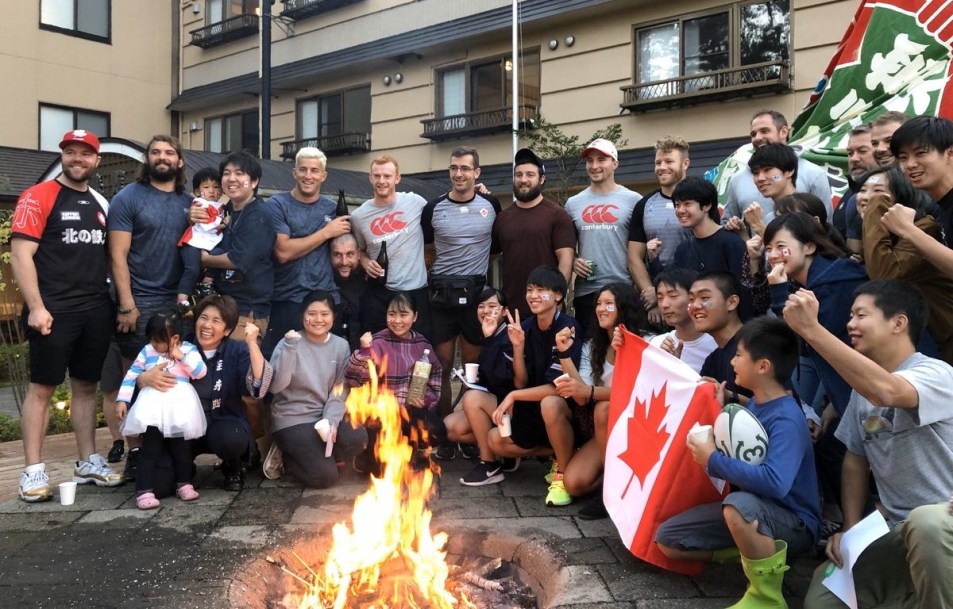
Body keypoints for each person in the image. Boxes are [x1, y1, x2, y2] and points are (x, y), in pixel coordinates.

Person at [783, 281, 953, 609]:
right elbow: (855, 460)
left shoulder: (935, 372)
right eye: (850, 315)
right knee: (822, 597)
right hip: (894, 528)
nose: (850, 324)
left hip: (942, 521)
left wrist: (812, 330)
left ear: (898, 323)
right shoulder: (863, 392)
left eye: (861, 315)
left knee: (926, 524)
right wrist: (850, 528)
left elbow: (888, 392)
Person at [656, 316, 820, 608]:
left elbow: (775, 482)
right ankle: (752, 553)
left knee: (737, 507)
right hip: (755, 510)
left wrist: (712, 459)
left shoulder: (787, 419)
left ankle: (766, 596)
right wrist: (727, 398)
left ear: (763, 366)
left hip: (794, 523)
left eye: (739, 355)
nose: (732, 362)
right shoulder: (760, 398)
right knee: (669, 541)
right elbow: (750, 415)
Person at [11, 129, 122, 501]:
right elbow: (21, 255)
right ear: (62, 155)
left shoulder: (100, 203)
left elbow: (110, 256)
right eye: (71, 152)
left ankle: (87, 460)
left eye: (85, 154)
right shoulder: (37, 196)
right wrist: (37, 307)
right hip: (53, 310)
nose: (78, 159)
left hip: (95, 308)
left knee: (86, 386)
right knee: (42, 388)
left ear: (96, 160)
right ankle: (32, 471)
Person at [109, 134, 195, 477]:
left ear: (179, 161)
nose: (162, 157)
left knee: (175, 376)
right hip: (138, 302)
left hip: (176, 304)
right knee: (137, 376)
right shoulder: (128, 198)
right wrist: (127, 304)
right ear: (148, 159)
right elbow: (117, 255)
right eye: (155, 152)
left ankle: (172, 453)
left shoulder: (189, 203)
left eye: (169, 152)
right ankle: (137, 452)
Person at [137, 295, 272, 492]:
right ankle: (183, 468)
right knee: (159, 485)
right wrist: (144, 379)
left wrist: (252, 344)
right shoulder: (178, 346)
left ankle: (234, 466)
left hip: (220, 421)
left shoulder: (236, 350)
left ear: (227, 330)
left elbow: (257, 388)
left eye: (216, 321)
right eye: (203, 318)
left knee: (231, 438)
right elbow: (138, 374)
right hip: (180, 426)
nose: (207, 325)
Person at [487, 266, 583, 504]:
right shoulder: (526, 327)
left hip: (569, 408)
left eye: (541, 290)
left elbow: (557, 387)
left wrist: (514, 397)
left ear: (558, 295)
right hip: (534, 407)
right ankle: (559, 452)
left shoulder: (567, 327)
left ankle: (563, 473)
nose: (533, 295)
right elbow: (520, 381)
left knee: (550, 403)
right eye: (530, 290)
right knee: (495, 440)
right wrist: (518, 347)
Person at [551, 282, 648, 518]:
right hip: (605, 430)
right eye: (598, 304)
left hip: (640, 426)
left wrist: (591, 392)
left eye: (609, 304)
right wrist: (564, 354)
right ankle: (618, 481)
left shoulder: (647, 342)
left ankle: (611, 492)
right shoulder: (592, 346)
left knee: (603, 407)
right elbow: (582, 398)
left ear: (623, 308)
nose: (601, 309)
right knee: (574, 484)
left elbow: (635, 394)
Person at [422, 146, 501, 427]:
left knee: (472, 367)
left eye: (465, 168)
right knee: (440, 367)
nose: (459, 174)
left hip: (476, 293)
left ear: (476, 172)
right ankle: (444, 428)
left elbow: (495, 250)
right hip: (441, 295)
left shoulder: (491, 206)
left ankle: (468, 426)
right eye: (454, 168)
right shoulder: (433, 207)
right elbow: (427, 249)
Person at [762, 212, 867, 417]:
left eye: (780, 247)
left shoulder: (836, 284)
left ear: (809, 247)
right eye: (768, 249)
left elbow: (807, 343)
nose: (773, 255)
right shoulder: (822, 280)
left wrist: (780, 296)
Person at [266, 291, 368, 488]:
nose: (318, 319)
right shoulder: (288, 342)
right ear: (302, 315)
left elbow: (339, 391)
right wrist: (290, 347)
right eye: (312, 313)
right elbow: (277, 386)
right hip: (292, 418)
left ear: (333, 317)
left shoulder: (341, 345)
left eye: (324, 314)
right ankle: (286, 455)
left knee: (358, 437)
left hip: (323, 417)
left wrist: (331, 422)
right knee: (325, 477)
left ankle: (316, 455)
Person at [857, 165, 953, 363]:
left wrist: (876, 206)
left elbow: (884, 274)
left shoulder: (924, 227)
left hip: (944, 338)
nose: (866, 197)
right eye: (863, 190)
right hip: (921, 337)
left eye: (879, 192)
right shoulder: (877, 233)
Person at [261, 147, 351, 359]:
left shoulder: (333, 209)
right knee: (284, 365)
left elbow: (349, 247)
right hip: (288, 300)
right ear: (294, 173)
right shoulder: (278, 204)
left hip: (327, 300)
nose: (308, 176)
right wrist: (326, 232)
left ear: (323, 175)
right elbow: (283, 251)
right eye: (303, 170)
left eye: (314, 170)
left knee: (327, 366)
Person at [345, 292, 444, 473]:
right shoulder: (376, 342)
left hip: (409, 411)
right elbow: (353, 379)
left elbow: (435, 378)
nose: (397, 320)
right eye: (392, 314)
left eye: (403, 314)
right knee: (380, 471)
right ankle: (367, 457)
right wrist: (364, 351)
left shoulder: (422, 345)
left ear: (415, 316)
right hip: (379, 417)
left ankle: (412, 451)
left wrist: (426, 400)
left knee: (436, 429)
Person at [116, 313, 207, 509]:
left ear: (174, 338)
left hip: (180, 407)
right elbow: (132, 374)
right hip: (153, 408)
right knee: (150, 449)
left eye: (158, 341)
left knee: (182, 448)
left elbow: (200, 372)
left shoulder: (188, 349)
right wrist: (123, 399)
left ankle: (184, 483)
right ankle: (144, 490)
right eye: (151, 339)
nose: (154, 344)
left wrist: (181, 357)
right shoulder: (147, 351)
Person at [565, 138, 642, 338]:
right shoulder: (573, 203)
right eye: (590, 161)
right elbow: (565, 246)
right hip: (586, 292)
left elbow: (641, 244)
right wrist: (573, 260)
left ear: (615, 163)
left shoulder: (634, 200)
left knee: (623, 349)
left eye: (601, 159)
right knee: (590, 353)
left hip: (623, 289)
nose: (595, 166)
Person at [350, 155, 431, 337]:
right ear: (370, 178)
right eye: (377, 176)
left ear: (397, 178)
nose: (382, 181)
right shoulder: (359, 216)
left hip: (416, 290)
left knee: (420, 349)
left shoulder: (415, 202)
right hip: (380, 292)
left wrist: (474, 191)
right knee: (378, 349)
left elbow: (443, 206)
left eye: (387, 176)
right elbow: (359, 251)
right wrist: (365, 263)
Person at [447, 289, 521, 486]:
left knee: (472, 399)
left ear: (505, 312)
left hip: (515, 405)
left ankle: (490, 464)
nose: (486, 311)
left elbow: (505, 377)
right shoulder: (489, 333)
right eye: (481, 306)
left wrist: (488, 340)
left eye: (492, 306)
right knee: (452, 428)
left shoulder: (508, 335)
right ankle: (505, 452)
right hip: (497, 403)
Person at [492, 148, 576, 319]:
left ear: (542, 179)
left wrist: (556, 299)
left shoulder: (557, 215)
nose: (523, 180)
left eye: (530, 175)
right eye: (519, 175)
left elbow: (566, 260)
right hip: (512, 310)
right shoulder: (502, 218)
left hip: (547, 309)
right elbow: (490, 257)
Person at [722, 109, 832, 225]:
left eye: (764, 131)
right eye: (753, 134)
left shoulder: (813, 173)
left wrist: (761, 228)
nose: (758, 138)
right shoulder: (737, 179)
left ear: (784, 132)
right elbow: (727, 222)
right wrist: (740, 233)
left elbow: (826, 226)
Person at [627, 135, 692, 325]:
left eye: (669, 161)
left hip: (691, 295)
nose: (662, 167)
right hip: (655, 302)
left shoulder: (701, 199)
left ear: (685, 163)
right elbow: (634, 257)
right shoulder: (644, 204)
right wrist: (655, 295)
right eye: (658, 162)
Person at [880, 115, 953, 278]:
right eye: (903, 157)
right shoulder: (942, 207)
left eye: (921, 153)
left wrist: (908, 230)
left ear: (950, 153)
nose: (910, 164)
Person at [670, 177, 753, 319]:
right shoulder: (682, 249)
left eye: (687, 204)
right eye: (677, 205)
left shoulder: (731, 242)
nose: (680, 210)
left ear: (707, 205)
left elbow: (745, 291)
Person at [692, 271, 750, 403]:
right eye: (691, 300)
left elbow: (781, 402)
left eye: (704, 298)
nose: (695, 306)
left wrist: (729, 396)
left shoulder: (756, 343)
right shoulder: (711, 361)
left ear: (732, 302)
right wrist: (674, 363)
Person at [649, 267, 717, 374]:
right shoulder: (656, 345)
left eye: (673, 296)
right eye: (660, 298)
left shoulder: (717, 344)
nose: (664, 304)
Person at [176, 167, 225, 305]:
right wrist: (223, 224)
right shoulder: (199, 203)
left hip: (211, 242)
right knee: (192, 269)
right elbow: (206, 223)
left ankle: (206, 283)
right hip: (193, 241)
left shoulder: (221, 206)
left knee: (220, 254)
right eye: (206, 186)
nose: (212, 190)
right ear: (197, 191)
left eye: (216, 187)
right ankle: (182, 300)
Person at [740, 143, 800, 237]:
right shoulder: (769, 218)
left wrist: (759, 226)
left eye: (767, 170)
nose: (760, 178)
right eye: (755, 173)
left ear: (789, 171)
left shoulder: (806, 209)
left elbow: (794, 249)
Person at [330, 233, 366, 350]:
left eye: (350, 254)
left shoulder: (369, 281)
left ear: (359, 254)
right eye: (337, 255)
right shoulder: (324, 282)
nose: (344, 262)